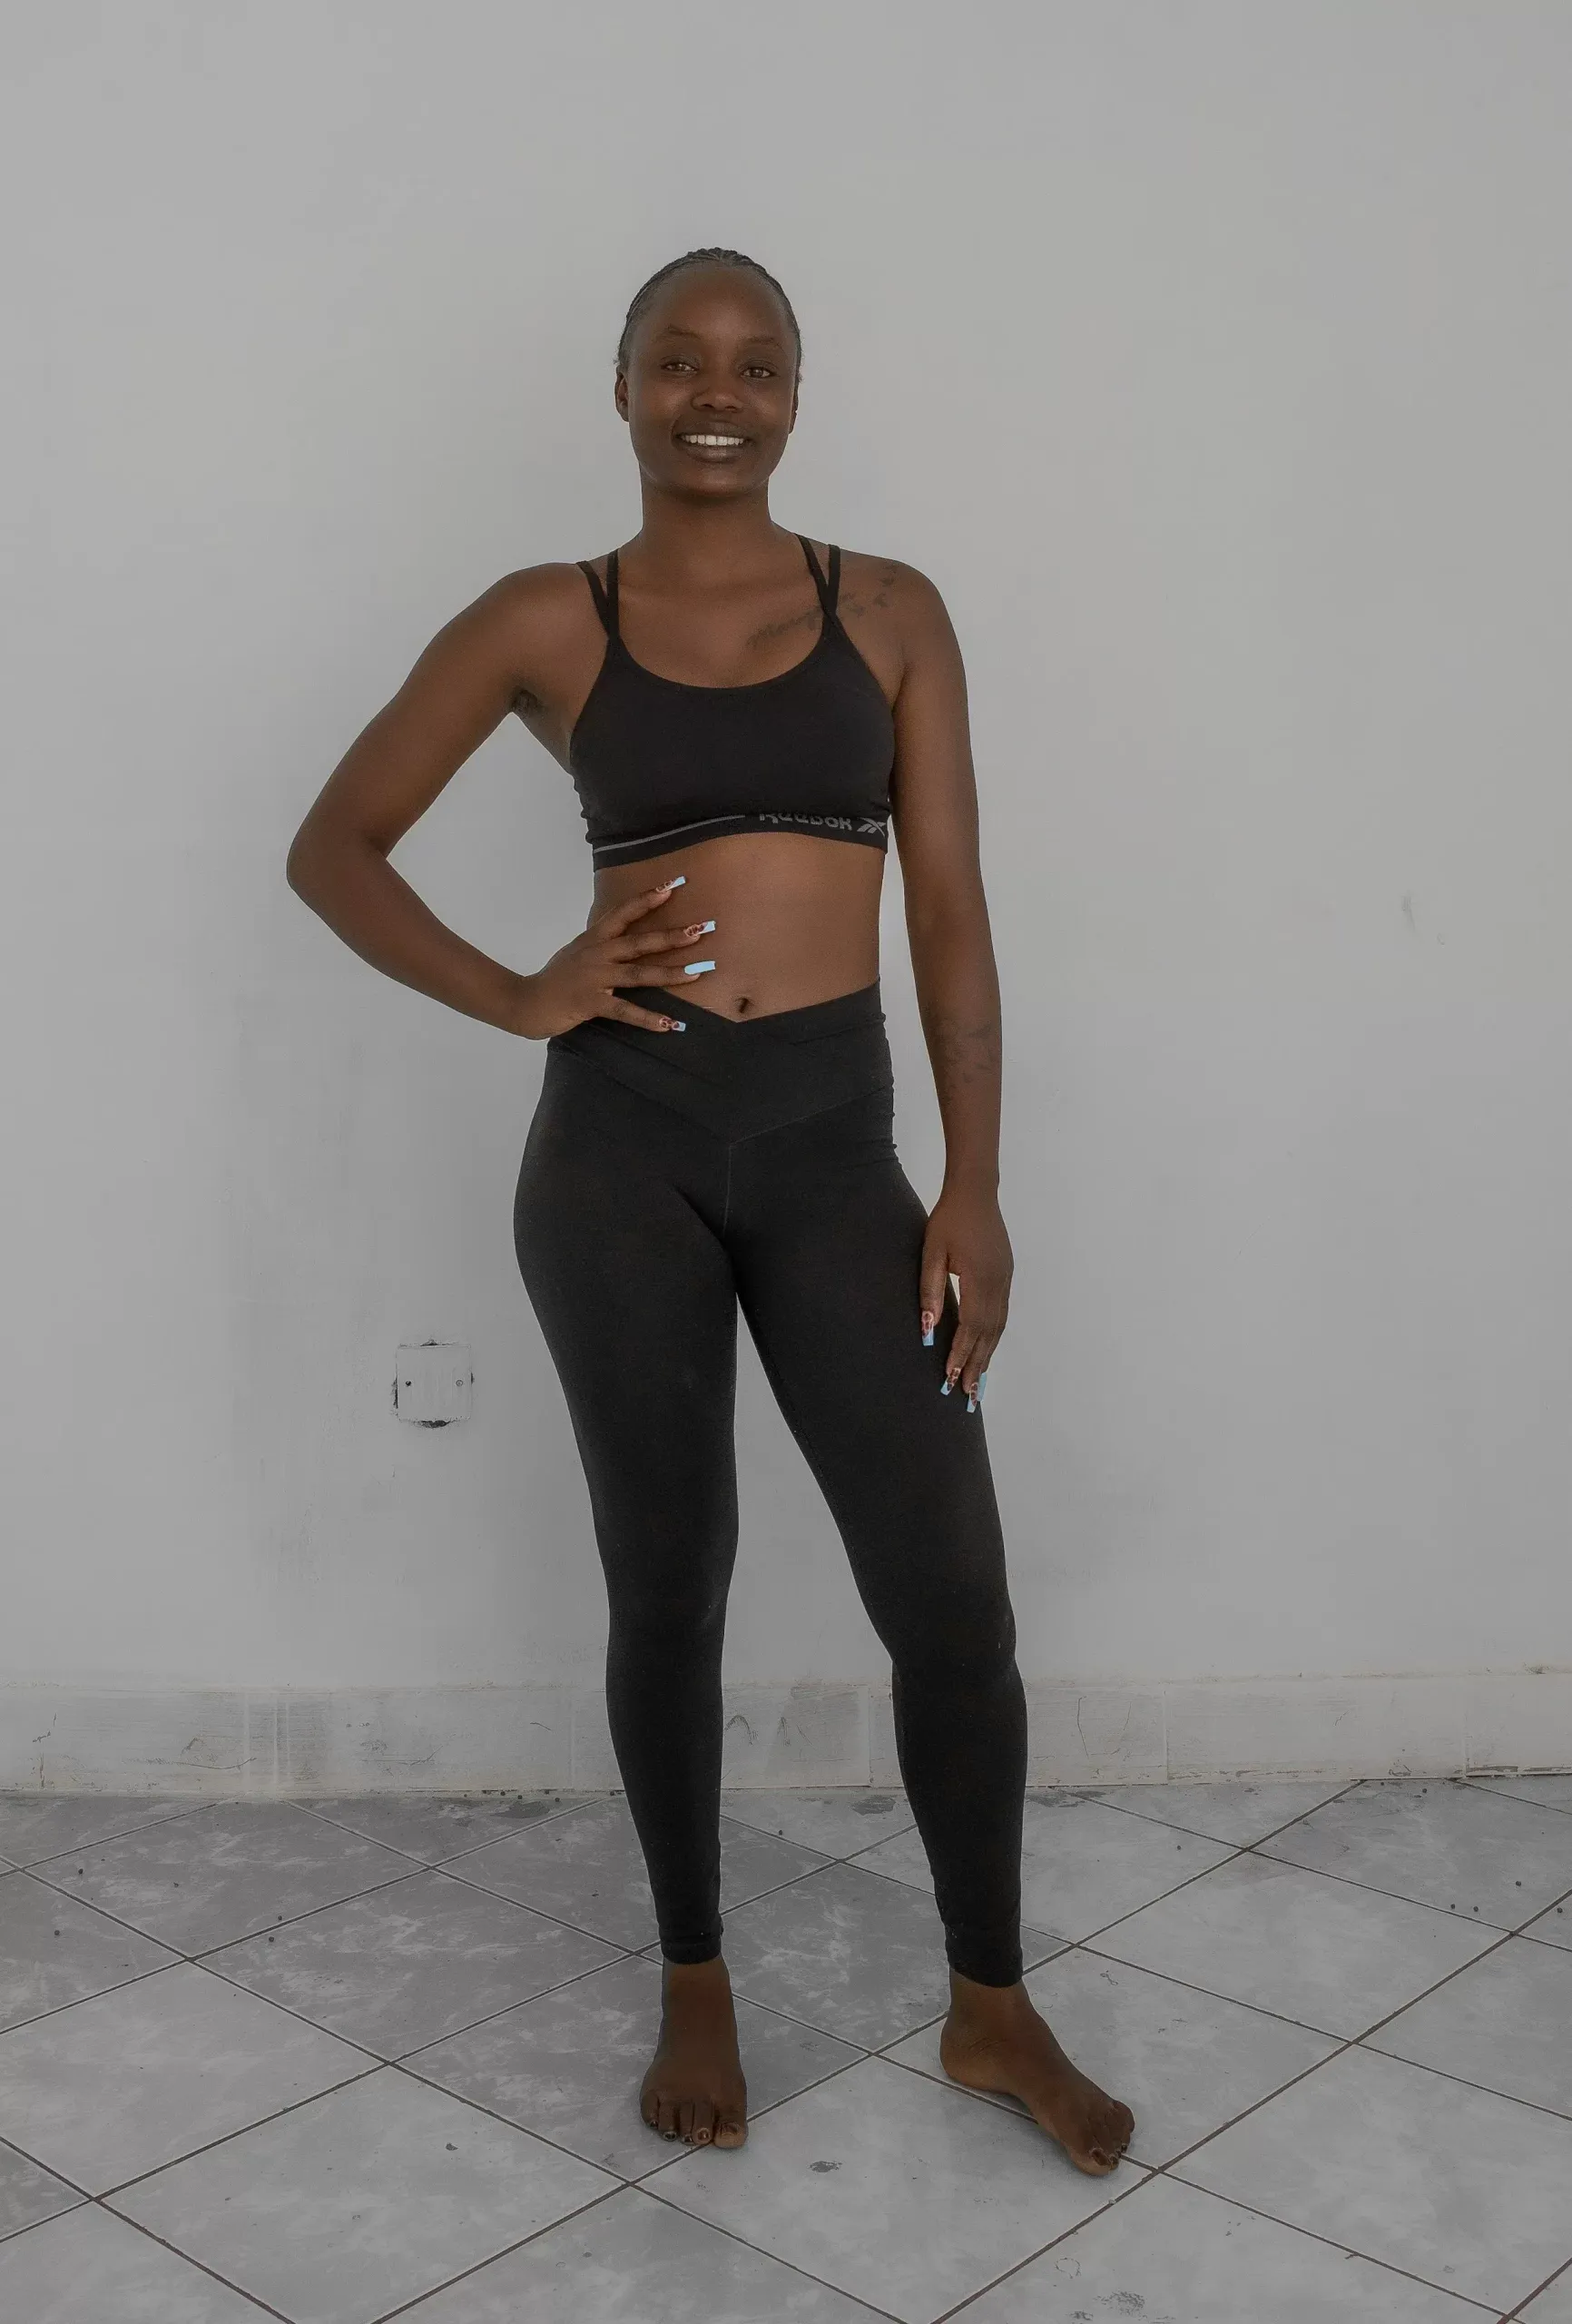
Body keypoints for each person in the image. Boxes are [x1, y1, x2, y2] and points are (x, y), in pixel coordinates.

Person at [286, 246, 1134, 2175]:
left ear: (796, 395)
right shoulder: (547, 616)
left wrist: (975, 1184)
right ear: (623, 391)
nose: (715, 393)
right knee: (668, 1581)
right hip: (622, 1155)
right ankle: (693, 1971)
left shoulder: (891, 611)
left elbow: (947, 912)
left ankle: (990, 2004)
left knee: (952, 1600)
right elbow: (333, 845)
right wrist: (518, 992)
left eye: (754, 363)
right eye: (677, 360)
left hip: (836, 1150)